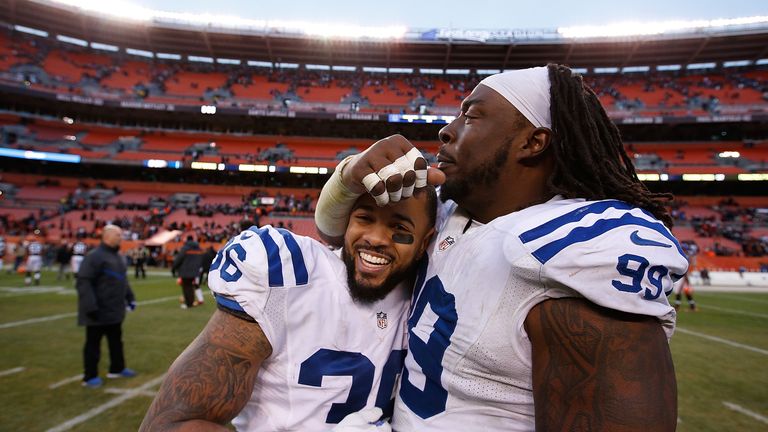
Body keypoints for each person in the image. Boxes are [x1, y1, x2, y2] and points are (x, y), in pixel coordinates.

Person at [314, 64, 688, 431]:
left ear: (532, 142)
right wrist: (349, 177)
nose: (446, 130)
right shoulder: (449, 213)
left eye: (472, 117)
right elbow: (334, 232)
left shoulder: (569, 249)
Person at [140, 188, 436, 431]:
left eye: (399, 228)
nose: (375, 238)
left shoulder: (428, 296)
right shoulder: (293, 276)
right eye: (364, 218)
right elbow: (169, 424)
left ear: (425, 242)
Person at [76, 224, 137, 388]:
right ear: (107, 236)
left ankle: (117, 368)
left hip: (114, 309)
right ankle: (89, 376)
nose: (120, 237)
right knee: (93, 344)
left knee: (116, 341)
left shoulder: (118, 256)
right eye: (118, 235)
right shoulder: (94, 256)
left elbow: (123, 281)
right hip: (97, 309)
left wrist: (130, 297)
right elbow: (84, 282)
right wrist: (90, 306)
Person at [171, 236, 204, 309]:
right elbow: (202, 259)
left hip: (185, 271)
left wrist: (174, 268)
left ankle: (188, 303)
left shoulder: (185, 248)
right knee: (191, 287)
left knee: (186, 287)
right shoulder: (199, 249)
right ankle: (191, 302)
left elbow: (179, 259)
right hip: (195, 271)